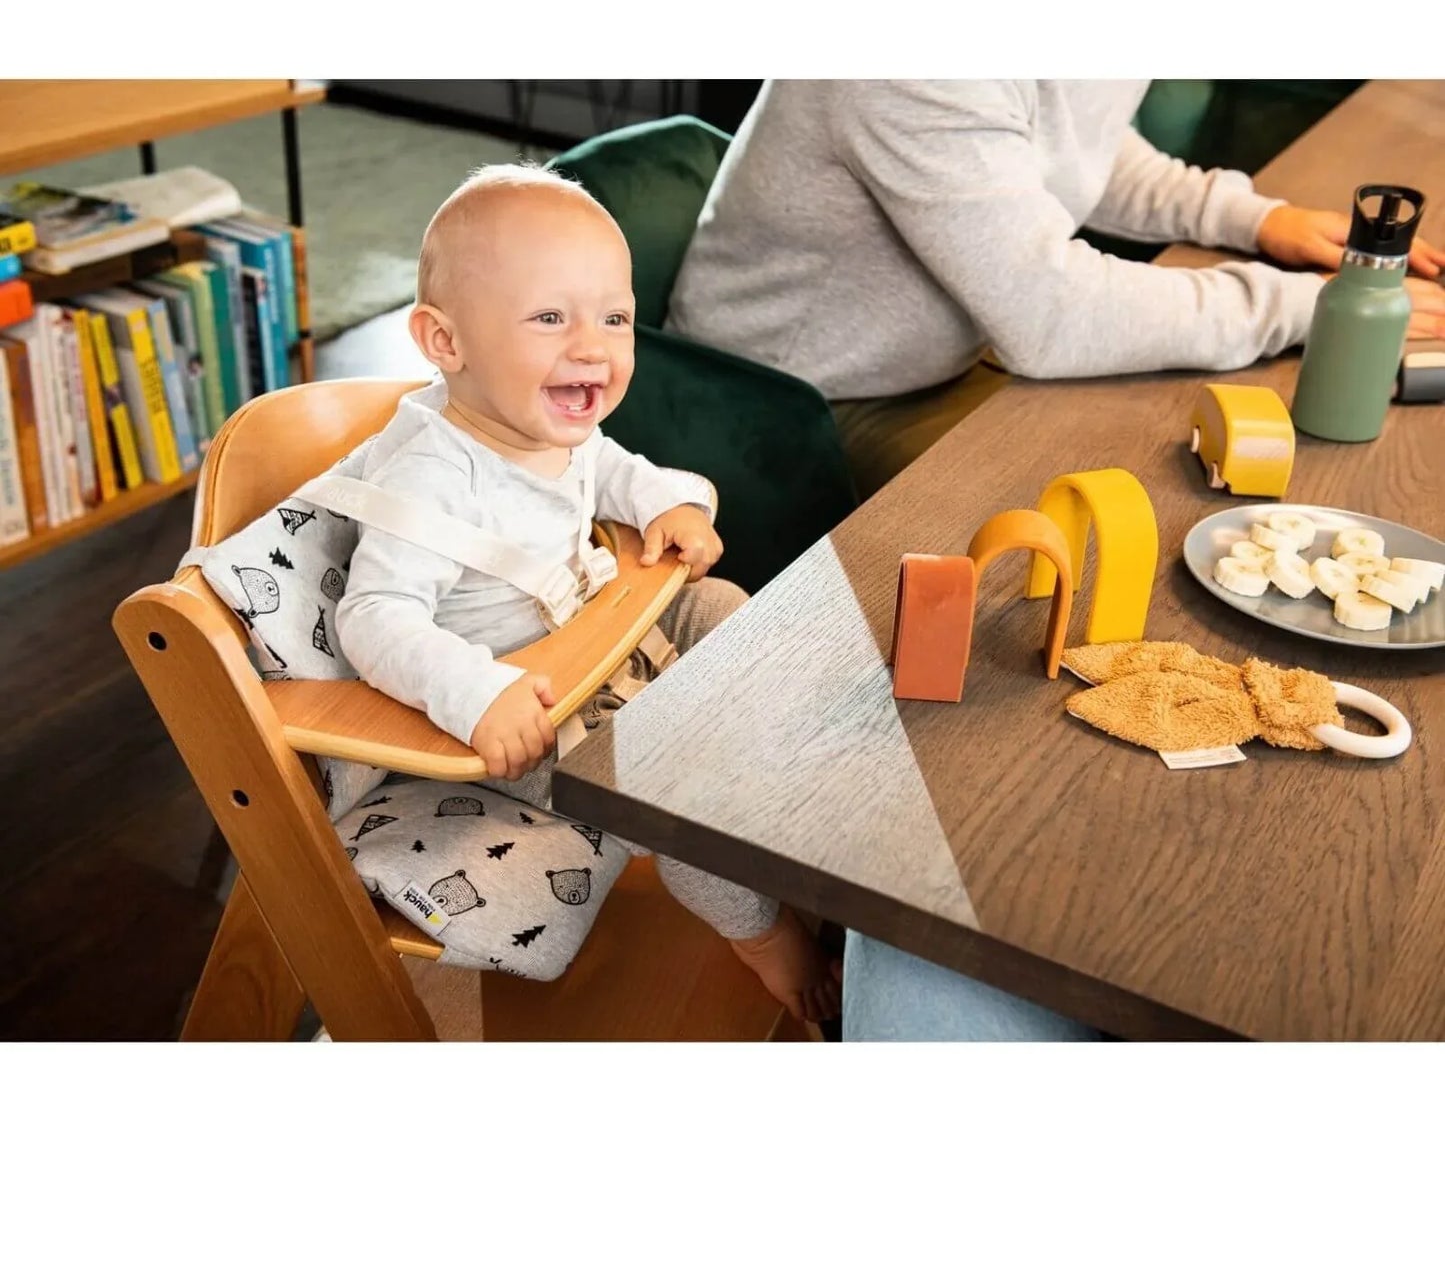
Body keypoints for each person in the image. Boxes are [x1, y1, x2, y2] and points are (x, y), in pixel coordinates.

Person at [334, 165, 841, 1022]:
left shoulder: (537, 420)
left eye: (614, 318)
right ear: (445, 342)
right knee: (674, 782)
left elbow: (609, 467)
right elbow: (373, 616)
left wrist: (666, 504)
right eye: (549, 318)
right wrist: (476, 694)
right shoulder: (433, 476)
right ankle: (757, 931)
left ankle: (785, 779)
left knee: (726, 606)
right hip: (522, 712)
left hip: (593, 641)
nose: (593, 347)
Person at [670, 80, 1445, 501]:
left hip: (955, 341)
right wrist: (1304, 306)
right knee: (1126, 492)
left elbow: (1069, 146)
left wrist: (1249, 217)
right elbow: (1052, 318)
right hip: (785, 399)